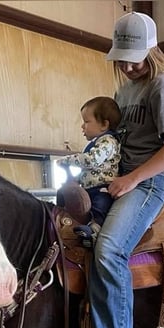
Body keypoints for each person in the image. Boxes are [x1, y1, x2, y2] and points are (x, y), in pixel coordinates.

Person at [60, 11, 164, 328]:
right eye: (123, 57)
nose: (129, 65)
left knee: (110, 249)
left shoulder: (162, 88)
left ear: (152, 51)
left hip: (150, 183)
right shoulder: (124, 92)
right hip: (120, 180)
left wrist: (132, 179)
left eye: (135, 56)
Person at [57, 96, 122, 244]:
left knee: (100, 207)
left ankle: (94, 231)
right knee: (65, 193)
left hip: (102, 188)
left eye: (86, 122)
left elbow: (91, 160)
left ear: (104, 125)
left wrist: (67, 160)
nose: (82, 126)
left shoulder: (108, 142)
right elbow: (88, 172)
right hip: (90, 188)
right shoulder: (98, 142)